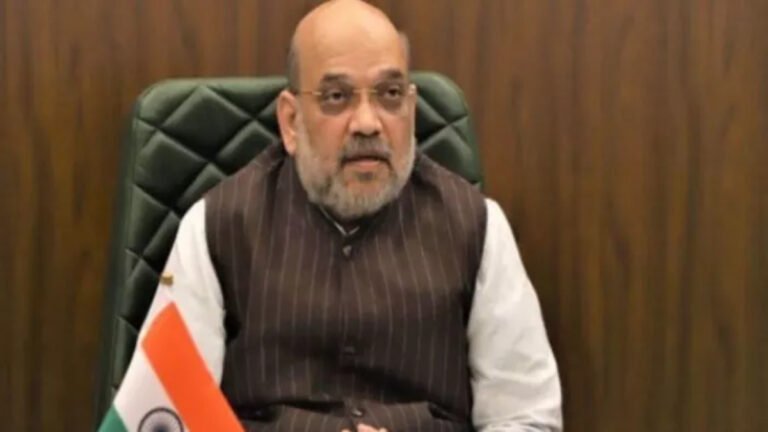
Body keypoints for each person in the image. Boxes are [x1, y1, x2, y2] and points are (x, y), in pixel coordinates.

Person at [150, 0, 562, 430]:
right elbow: (164, 417)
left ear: (411, 109)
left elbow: (526, 417)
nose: (367, 123)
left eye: (390, 95)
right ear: (290, 122)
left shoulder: (477, 227)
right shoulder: (215, 227)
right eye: (336, 97)